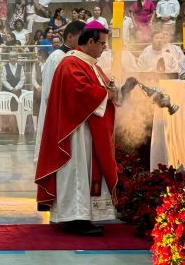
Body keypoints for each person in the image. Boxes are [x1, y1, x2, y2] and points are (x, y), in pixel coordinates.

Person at [35, 20, 137, 235]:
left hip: (86, 129)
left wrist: (120, 90)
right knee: (76, 172)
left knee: (83, 172)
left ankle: (82, 215)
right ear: (90, 41)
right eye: (101, 44)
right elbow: (80, 92)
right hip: (74, 132)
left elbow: (102, 90)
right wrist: (105, 94)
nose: (103, 48)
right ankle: (75, 218)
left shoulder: (90, 63)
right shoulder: (70, 62)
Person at [34, 20, 86, 167]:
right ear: (70, 37)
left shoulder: (76, 57)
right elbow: (50, 93)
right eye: (81, 37)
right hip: (56, 117)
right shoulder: (57, 57)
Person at [32, 48, 48, 122]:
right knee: (37, 109)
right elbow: (33, 78)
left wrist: (44, 87)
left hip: (47, 89)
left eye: (39, 55)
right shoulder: (35, 65)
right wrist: (38, 87)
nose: (38, 57)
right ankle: (37, 128)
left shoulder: (48, 64)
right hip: (38, 89)